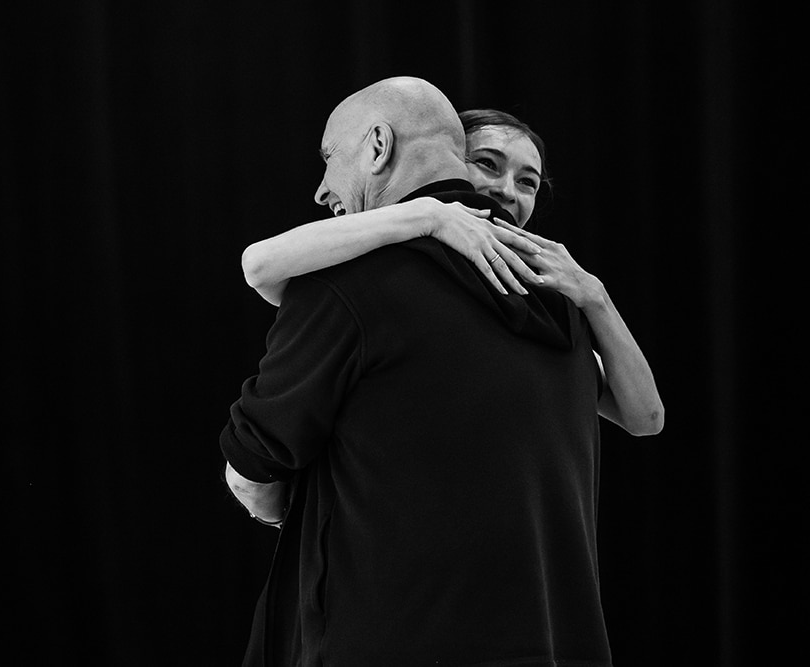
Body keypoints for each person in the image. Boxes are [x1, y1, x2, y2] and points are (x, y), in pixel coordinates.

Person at [221, 76, 660, 665]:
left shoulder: (347, 282)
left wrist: (274, 504)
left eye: (330, 158)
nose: (324, 187)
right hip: (552, 639)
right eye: (488, 164)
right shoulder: (557, 299)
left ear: (377, 146)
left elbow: (257, 456)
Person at [240, 106, 663, 438]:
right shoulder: (387, 263)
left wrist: (595, 297)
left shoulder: (540, 301)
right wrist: (428, 215)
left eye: (528, 182)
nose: (506, 191)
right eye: (488, 164)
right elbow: (260, 264)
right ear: (445, 162)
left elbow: (645, 416)